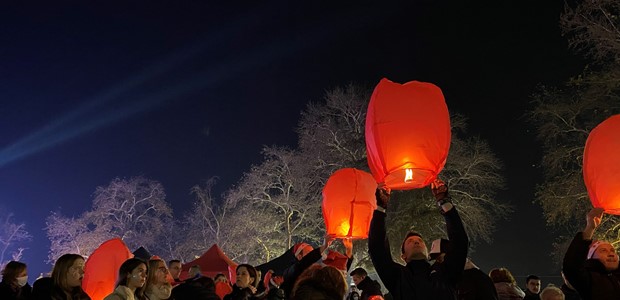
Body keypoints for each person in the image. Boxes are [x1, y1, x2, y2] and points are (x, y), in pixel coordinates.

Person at [368, 179, 469, 300]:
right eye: (410, 242)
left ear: (427, 252)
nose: (416, 242)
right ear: (403, 256)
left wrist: (445, 202)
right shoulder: (397, 276)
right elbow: (377, 249)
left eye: (420, 241)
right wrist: (380, 208)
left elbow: (460, 243)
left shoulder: (445, 272)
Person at [562, 207, 620, 300]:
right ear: (592, 257)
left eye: (613, 250)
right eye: (603, 251)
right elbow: (571, 267)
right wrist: (589, 228)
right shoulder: (589, 280)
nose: (611, 254)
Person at [429, 239, 498, 300]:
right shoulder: (445, 278)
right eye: (436, 260)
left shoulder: (479, 278)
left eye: (440, 259)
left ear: (451, 254)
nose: (438, 263)